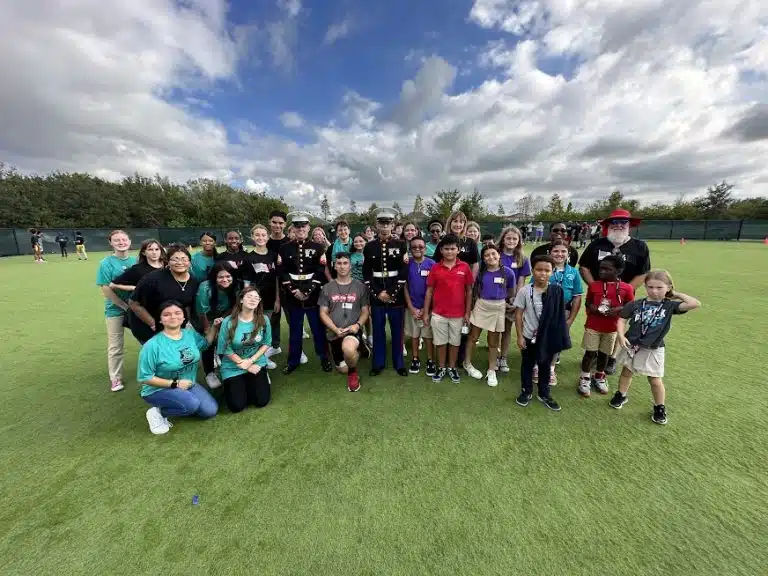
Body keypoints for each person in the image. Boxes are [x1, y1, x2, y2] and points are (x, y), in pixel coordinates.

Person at [610, 270, 701, 425]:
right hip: (632, 345)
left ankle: (659, 407)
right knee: (626, 372)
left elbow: (695, 303)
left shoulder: (669, 306)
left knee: (655, 379)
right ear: (645, 286)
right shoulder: (636, 304)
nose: (654, 291)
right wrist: (620, 334)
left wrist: (675, 294)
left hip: (653, 348)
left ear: (668, 287)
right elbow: (622, 319)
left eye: (659, 288)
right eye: (650, 287)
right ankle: (621, 394)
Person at [579, 209, 651, 375]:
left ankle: (611, 358)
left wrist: (624, 290)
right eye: (614, 222)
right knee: (595, 323)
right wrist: (595, 286)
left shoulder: (640, 246)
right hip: (598, 295)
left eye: (623, 222)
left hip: (623, 296)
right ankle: (593, 353)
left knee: (618, 325)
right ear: (608, 225)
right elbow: (584, 266)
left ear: (629, 225)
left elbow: (643, 273)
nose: (618, 225)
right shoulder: (597, 244)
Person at [138, 300, 220, 435]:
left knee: (210, 411)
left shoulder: (189, 334)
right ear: (160, 319)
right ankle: (158, 413)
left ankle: (182, 401)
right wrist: (175, 383)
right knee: (191, 404)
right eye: (167, 314)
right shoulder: (152, 345)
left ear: (183, 317)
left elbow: (205, 344)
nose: (173, 317)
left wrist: (215, 327)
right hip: (159, 389)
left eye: (177, 313)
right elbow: (145, 377)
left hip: (188, 383)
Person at [513, 255, 570, 411]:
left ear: (552, 272)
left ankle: (544, 393)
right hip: (528, 336)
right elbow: (518, 314)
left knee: (545, 365)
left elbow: (559, 316)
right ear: (532, 270)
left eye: (547, 270)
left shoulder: (556, 291)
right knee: (527, 364)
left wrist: (557, 337)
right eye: (539, 270)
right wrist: (520, 336)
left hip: (547, 337)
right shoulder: (525, 291)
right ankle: (526, 391)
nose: (542, 273)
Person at [278, 211, 333, 374]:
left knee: (318, 330)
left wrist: (307, 291)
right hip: (293, 296)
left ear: (309, 228)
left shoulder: (318, 247)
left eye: (303, 226)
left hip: (313, 296)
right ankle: (293, 361)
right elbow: (282, 271)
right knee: (295, 332)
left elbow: (320, 270)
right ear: (293, 228)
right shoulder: (284, 248)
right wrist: (294, 290)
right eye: (297, 226)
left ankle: (324, 358)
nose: (301, 229)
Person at [578, 255, 635, 396]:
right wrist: (594, 309)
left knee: (605, 354)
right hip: (593, 325)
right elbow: (588, 302)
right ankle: (584, 377)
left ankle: (599, 375)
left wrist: (618, 309)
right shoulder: (594, 285)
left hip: (612, 328)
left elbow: (630, 306)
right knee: (590, 353)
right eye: (601, 268)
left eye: (607, 269)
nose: (602, 271)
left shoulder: (627, 288)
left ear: (618, 271)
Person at [363, 207, 409, 377]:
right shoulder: (369, 246)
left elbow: (403, 271)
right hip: (377, 296)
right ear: (376, 225)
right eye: (381, 223)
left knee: (397, 331)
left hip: (395, 295)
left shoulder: (401, 245)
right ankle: (378, 363)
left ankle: (399, 363)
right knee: (378, 331)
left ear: (393, 225)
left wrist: (391, 292)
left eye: (388, 223)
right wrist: (377, 293)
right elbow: (367, 273)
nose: (384, 226)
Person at [423, 234, 474, 384]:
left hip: (458, 314)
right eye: (446, 249)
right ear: (441, 250)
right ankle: (441, 367)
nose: (449, 252)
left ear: (458, 250)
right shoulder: (435, 267)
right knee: (440, 342)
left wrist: (467, 312)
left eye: (452, 249)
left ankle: (452, 367)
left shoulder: (464, 267)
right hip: (439, 313)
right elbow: (429, 291)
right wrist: (426, 312)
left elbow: (469, 291)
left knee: (455, 343)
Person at [464, 244, 516, 387]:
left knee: (493, 342)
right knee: (473, 337)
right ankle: (467, 363)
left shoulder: (508, 273)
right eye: (487, 255)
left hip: (498, 308)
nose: (491, 257)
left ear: (499, 254)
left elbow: (511, 292)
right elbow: (475, 291)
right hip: (481, 305)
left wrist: (506, 303)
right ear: (483, 258)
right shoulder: (481, 273)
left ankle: (491, 370)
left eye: (493, 254)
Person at [319, 253, 371, 391]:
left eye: (345, 263)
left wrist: (357, 325)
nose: (342, 266)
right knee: (343, 368)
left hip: (352, 330)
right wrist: (335, 329)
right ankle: (361, 347)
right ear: (334, 266)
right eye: (339, 263)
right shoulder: (327, 288)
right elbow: (323, 313)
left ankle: (353, 375)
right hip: (335, 332)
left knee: (348, 349)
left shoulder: (360, 287)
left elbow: (365, 312)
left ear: (350, 266)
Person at [216, 286, 273, 413]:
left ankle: (254, 379)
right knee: (237, 406)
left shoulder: (264, 319)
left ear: (259, 301)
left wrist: (251, 361)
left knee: (261, 401)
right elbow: (226, 349)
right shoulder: (228, 322)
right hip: (233, 366)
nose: (253, 299)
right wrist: (246, 365)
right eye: (249, 296)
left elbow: (266, 343)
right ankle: (234, 384)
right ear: (241, 299)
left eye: (256, 298)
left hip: (256, 362)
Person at [129, 244, 200, 345]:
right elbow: (133, 303)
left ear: (189, 262)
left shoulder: (193, 281)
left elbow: (187, 304)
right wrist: (154, 324)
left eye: (184, 259)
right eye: (175, 259)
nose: (180, 262)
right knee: (160, 352)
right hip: (147, 325)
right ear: (168, 261)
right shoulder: (153, 279)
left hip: (173, 325)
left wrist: (185, 323)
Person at [436, 211, 480, 365]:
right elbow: (436, 264)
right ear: (450, 223)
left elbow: (475, 264)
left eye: (461, 222)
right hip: (446, 291)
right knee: (444, 323)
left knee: (462, 323)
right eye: (455, 221)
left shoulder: (470, 243)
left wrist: (470, 284)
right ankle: (445, 359)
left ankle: (459, 358)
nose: (458, 224)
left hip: (465, 289)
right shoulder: (443, 241)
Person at [96, 230, 137, 392]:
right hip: (115, 310)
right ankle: (115, 378)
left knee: (148, 339)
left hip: (137, 308)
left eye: (124, 239)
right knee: (115, 345)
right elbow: (106, 289)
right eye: (117, 240)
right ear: (111, 243)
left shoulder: (136, 261)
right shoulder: (106, 263)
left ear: (129, 241)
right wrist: (124, 306)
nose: (121, 242)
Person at [542, 239, 583, 385]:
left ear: (568, 253)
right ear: (549, 252)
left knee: (556, 340)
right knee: (540, 338)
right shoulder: (543, 268)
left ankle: (551, 368)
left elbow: (577, 297)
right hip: (543, 310)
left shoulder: (573, 272)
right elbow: (533, 289)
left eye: (563, 251)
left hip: (563, 311)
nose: (559, 254)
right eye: (556, 251)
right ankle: (537, 365)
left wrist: (571, 319)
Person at [196, 261, 239, 390]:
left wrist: (224, 321)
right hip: (206, 317)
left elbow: (235, 306)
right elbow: (202, 311)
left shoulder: (236, 286)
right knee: (208, 343)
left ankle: (228, 368)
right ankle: (209, 372)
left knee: (226, 340)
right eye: (220, 277)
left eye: (228, 276)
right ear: (214, 277)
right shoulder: (205, 287)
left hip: (225, 315)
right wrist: (208, 329)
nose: (225, 280)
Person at [242, 225, 280, 366]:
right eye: (257, 235)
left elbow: (277, 279)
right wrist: (248, 301)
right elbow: (247, 282)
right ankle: (261, 358)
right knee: (259, 328)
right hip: (257, 299)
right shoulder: (248, 258)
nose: (260, 238)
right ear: (252, 237)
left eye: (263, 235)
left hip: (273, 298)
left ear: (268, 237)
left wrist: (278, 299)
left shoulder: (273, 256)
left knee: (272, 324)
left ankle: (273, 348)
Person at [498, 226, 531, 373]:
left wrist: (516, 300)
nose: (511, 241)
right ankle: (494, 356)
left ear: (519, 241)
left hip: (511, 300)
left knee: (506, 330)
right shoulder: (496, 254)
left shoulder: (522, 258)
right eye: (508, 238)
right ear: (503, 239)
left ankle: (503, 358)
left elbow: (521, 281)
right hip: (495, 298)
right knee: (494, 330)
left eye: (514, 238)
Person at [403, 236, 436, 376]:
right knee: (414, 335)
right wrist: (411, 308)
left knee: (428, 336)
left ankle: (430, 360)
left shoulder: (432, 264)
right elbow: (404, 287)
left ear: (425, 248)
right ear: (410, 249)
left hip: (427, 309)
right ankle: (415, 359)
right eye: (414, 247)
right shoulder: (407, 264)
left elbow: (434, 288)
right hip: (412, 308)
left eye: (421, 247)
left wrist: (425, 309)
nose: (417, 249)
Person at [266, 210, 290, 358]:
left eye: (280, 223)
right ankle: (275, 346)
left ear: (285, 225)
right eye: (274, 222)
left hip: (287, 287)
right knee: (273, 319)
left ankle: (297, 349)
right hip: (270, 287)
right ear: (269, 222)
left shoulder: (289, 242)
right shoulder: (265, 242)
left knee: (292, 319)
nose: (277, 225)